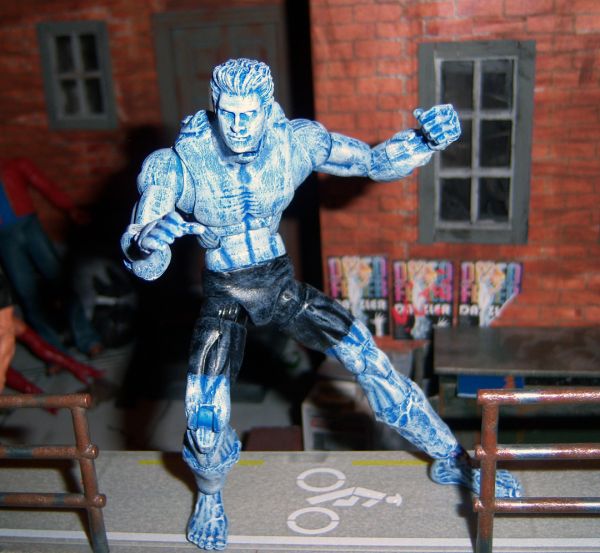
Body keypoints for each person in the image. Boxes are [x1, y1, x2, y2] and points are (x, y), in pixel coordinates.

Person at [121, 58, 522, 551]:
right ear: (214, 107)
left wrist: (424, 142)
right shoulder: (177, 164)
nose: (239, 126)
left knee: (370, 361)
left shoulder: (296, 143)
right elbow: (142, 252)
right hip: (225, 295)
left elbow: (371, 162)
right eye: (229, 114)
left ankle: (454, 459)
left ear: (267, 107)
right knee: (204, 422)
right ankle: (208, 494)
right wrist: (149, 239)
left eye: (250, 114)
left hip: (280, 285)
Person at [0, 157, 102, 356]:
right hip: (4, 238)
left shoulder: (13, 166)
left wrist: (70, 208)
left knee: (60, 280)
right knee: (26, 292)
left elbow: (45, 186)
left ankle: (88, 339)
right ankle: (54, 352)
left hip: (29, 227)